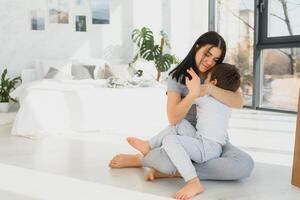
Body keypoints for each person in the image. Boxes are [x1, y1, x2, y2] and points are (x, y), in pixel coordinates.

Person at [109, 31, 254, 196]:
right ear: (197, 47)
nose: (209, 62)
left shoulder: (219, 74)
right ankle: (146, 154)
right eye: (207, 54)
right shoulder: (177, 77)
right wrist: (192, 93)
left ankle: (174, 169)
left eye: (215, 59)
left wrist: (208, 88)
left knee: (244, 164)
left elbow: (238, 102)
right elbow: (173, 118)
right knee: (172, 141)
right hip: (185, 133)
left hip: (213, 141)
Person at [126, 63, 241, 199]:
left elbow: (191, 95)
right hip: (207, 143)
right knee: (180, 124)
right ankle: (149, 145)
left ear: (213, 82)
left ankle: (193, 182)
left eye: (207, 77)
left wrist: (190, 85)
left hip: (208, 148)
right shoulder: (227, 102)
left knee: (171, 140)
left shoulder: (208, 98)